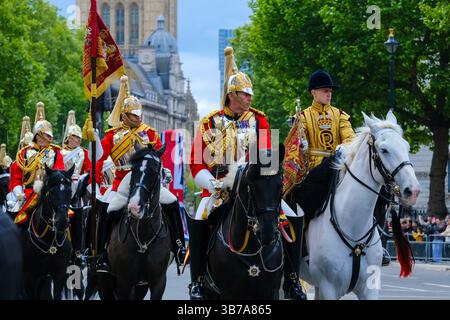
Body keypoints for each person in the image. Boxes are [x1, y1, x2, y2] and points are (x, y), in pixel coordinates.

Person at [188, 47, 301, 300]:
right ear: (232, 95)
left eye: (250, 93)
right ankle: (196, 281)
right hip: (218, 187)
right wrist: (213, 183)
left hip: (253, 186)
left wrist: (268, 182)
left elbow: (268, 160)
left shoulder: (259, 120)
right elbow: (196, 164)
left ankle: (293, 280)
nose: (250, 98)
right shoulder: (209, 122)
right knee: (199, 216)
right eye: (245, 94)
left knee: (292, 214)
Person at [93, 75, 186, 272]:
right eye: (134, 115)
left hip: (148, 180)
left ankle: (179, 246)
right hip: (122, 181)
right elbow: (98, 160)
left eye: (139, 114)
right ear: (124, 116)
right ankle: (100, 253)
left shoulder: (150, 133)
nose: (139, 117)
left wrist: (164, 171)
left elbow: (159, 155)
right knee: (106, 209)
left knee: (172, 203)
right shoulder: (112, 136)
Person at [6, 102, 64, 225]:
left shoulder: (55, 152)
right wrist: (18, 193)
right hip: (27, 194)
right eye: (44, 135)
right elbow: (15, 178)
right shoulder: (24, 153)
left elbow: (60, 174)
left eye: (49, 136)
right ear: (37, 136)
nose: (47, 139)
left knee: (67, 216)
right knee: (15, 219)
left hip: (49, 193)